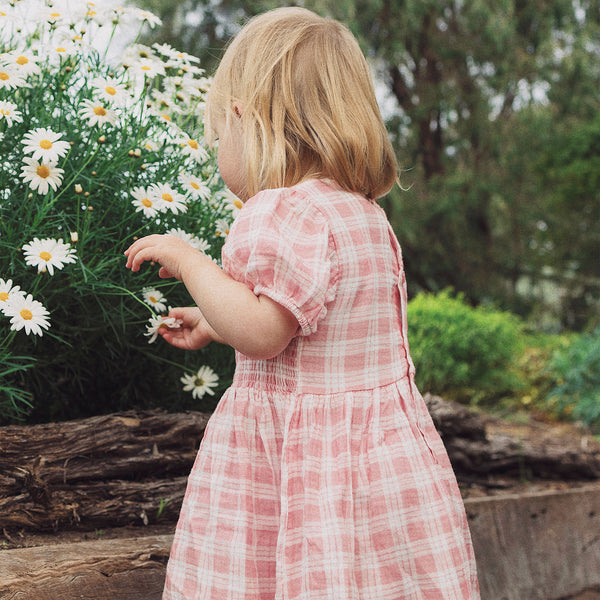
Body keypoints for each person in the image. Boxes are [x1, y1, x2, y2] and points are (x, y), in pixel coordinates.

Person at [124, 7, 480, 599]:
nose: (219, 159)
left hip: (298, 466)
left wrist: (190, 262)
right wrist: (215, 323)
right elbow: (308, 317)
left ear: (245, 118)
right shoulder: (365, 216)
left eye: (219, 137)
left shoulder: (279, 211)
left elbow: (266, 333)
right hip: (377, 465)